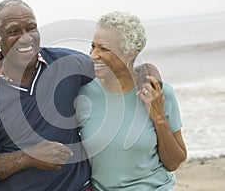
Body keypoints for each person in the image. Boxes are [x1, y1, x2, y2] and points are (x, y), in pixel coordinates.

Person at [0, 0, 94, 191]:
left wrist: (147, 70)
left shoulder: (68, 63)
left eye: (31, 28)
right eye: (14, 31)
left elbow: (115, 73)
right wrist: (28, 157)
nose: (26, 38)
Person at [75, 11, 187, 190]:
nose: (93, 55)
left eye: (104, 49)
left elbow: (173, 162)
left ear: (130, 54)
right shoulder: (82, 94)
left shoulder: (159, 92)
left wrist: (158, 117)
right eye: (93, 46)